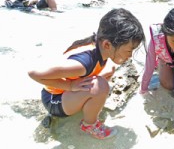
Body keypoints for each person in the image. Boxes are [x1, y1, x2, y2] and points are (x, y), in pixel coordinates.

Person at [28, 8, 145, 140]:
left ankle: (88, 103)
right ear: (107, 44)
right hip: (53, 101)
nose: (130, 56)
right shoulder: (83, 63)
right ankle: (89, 125)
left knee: (108, 73)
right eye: (129, 50)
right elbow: (34, 73)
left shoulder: (99, 48)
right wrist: (71, 85)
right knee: (100, 86)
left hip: (64, 96)